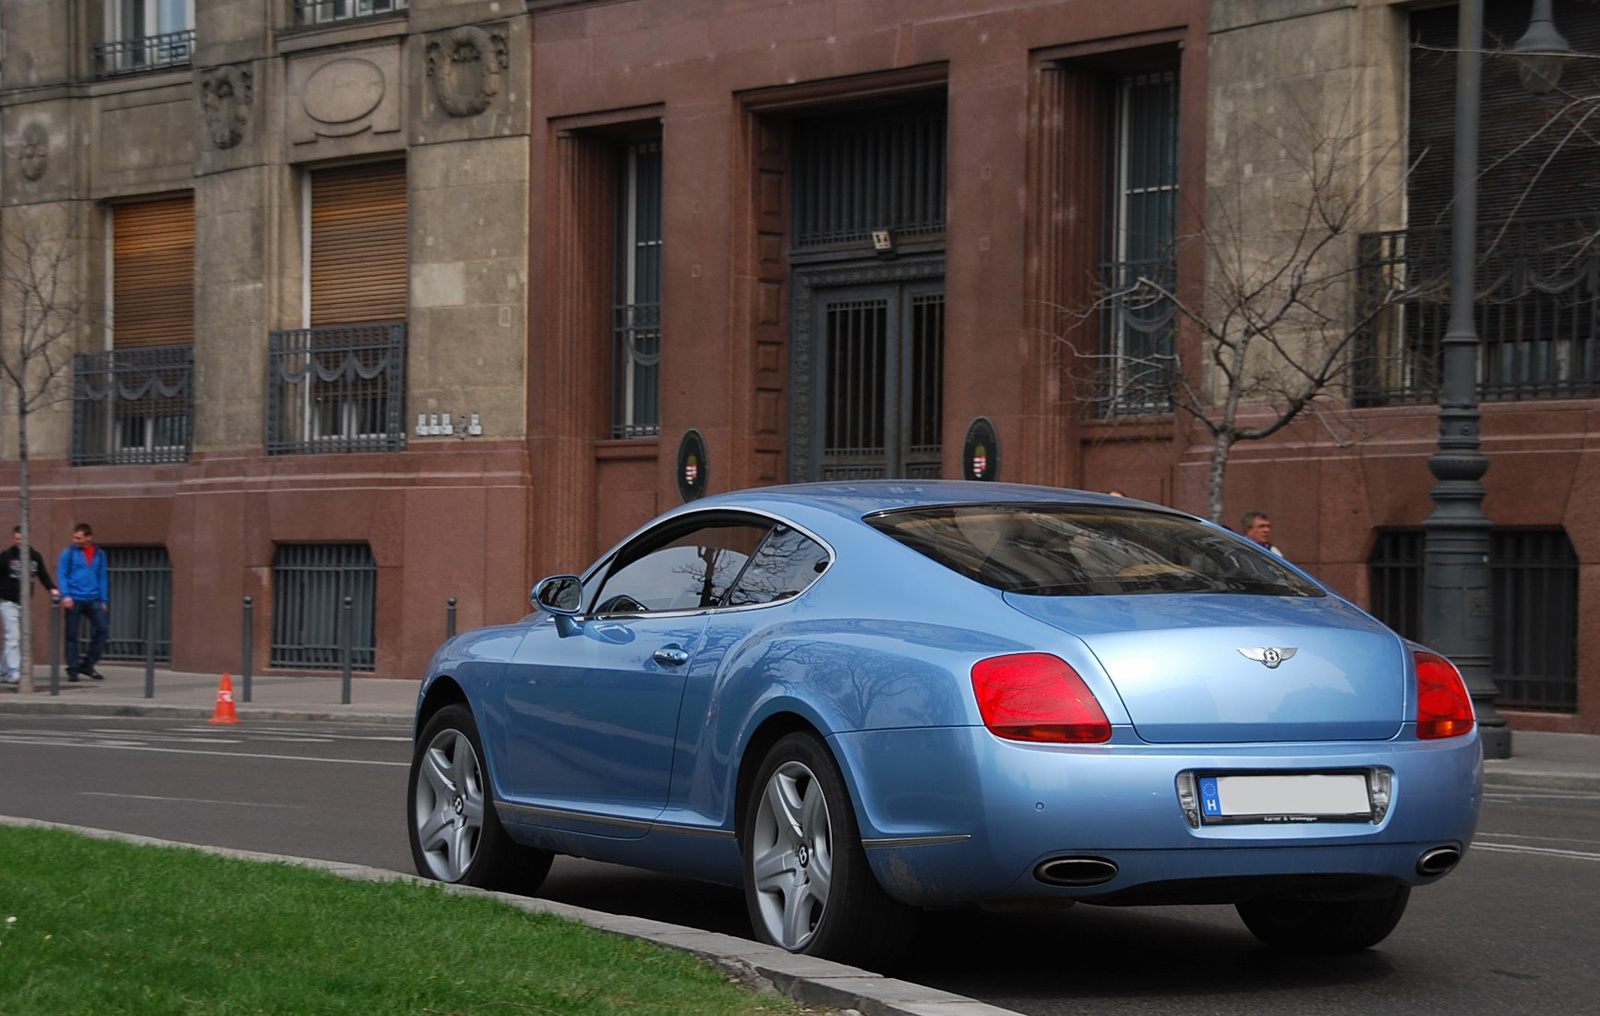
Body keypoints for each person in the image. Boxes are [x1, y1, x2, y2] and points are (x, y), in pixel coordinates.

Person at [1, 526, 59, 685]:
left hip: (25, 604)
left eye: (22, 539)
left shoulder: (35, 557)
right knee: (13, 637)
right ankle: (14, 672)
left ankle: (4, 670)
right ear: (14, 539)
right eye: (16, 539)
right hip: (8, 602)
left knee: (18, 638)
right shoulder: (6, 556)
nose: (19, 542)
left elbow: (43, 575)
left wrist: (52, 589)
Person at [58, 523, 110, 682]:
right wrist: (66, 595)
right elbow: (62, 574)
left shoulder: (99, 554)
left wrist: (104, 599)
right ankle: (73, 669)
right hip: (74, 598)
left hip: (93, 599)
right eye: (74, 537)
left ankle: (88, 665)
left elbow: (102, 577)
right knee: (71, 636)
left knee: (102, 629)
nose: (75, 540)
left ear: (89, 537)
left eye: (79, 538)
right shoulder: (69, 553)